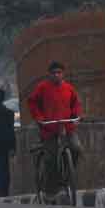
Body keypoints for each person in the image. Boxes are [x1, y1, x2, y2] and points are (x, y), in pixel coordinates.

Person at [27, 61, 83, 196]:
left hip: (67, 126)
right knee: (50, 158)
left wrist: (76, 117)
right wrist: (39, 117)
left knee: (76, 148)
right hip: (49, 128)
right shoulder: (42, 88)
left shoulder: (69, 88)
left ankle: (69, 173)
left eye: (59, 73)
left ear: (63, 74)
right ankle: (50, 188)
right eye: (54, 73)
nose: (56, 75)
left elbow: (76, 104)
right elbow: (32, 102)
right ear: (49, 75)